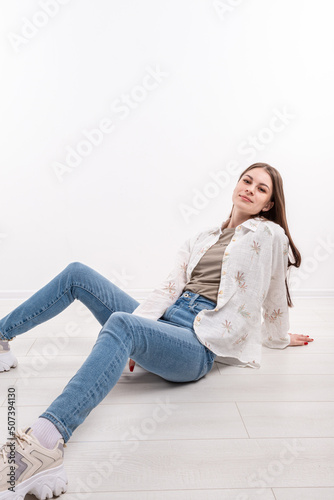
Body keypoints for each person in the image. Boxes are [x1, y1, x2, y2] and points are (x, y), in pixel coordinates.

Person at [0, 162, 314, 499]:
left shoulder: (269, 235)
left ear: (268, 204)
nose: (250, 188)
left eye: (261, 188)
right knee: (78, 274)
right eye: (247, 180)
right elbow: (168, 289)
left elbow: (274, 292)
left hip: (195, 344)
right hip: (165, 321)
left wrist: (279, 338)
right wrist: (144, 329)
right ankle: (3, 335)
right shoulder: (202, 237)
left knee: (121, 324)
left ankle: (44, 446)